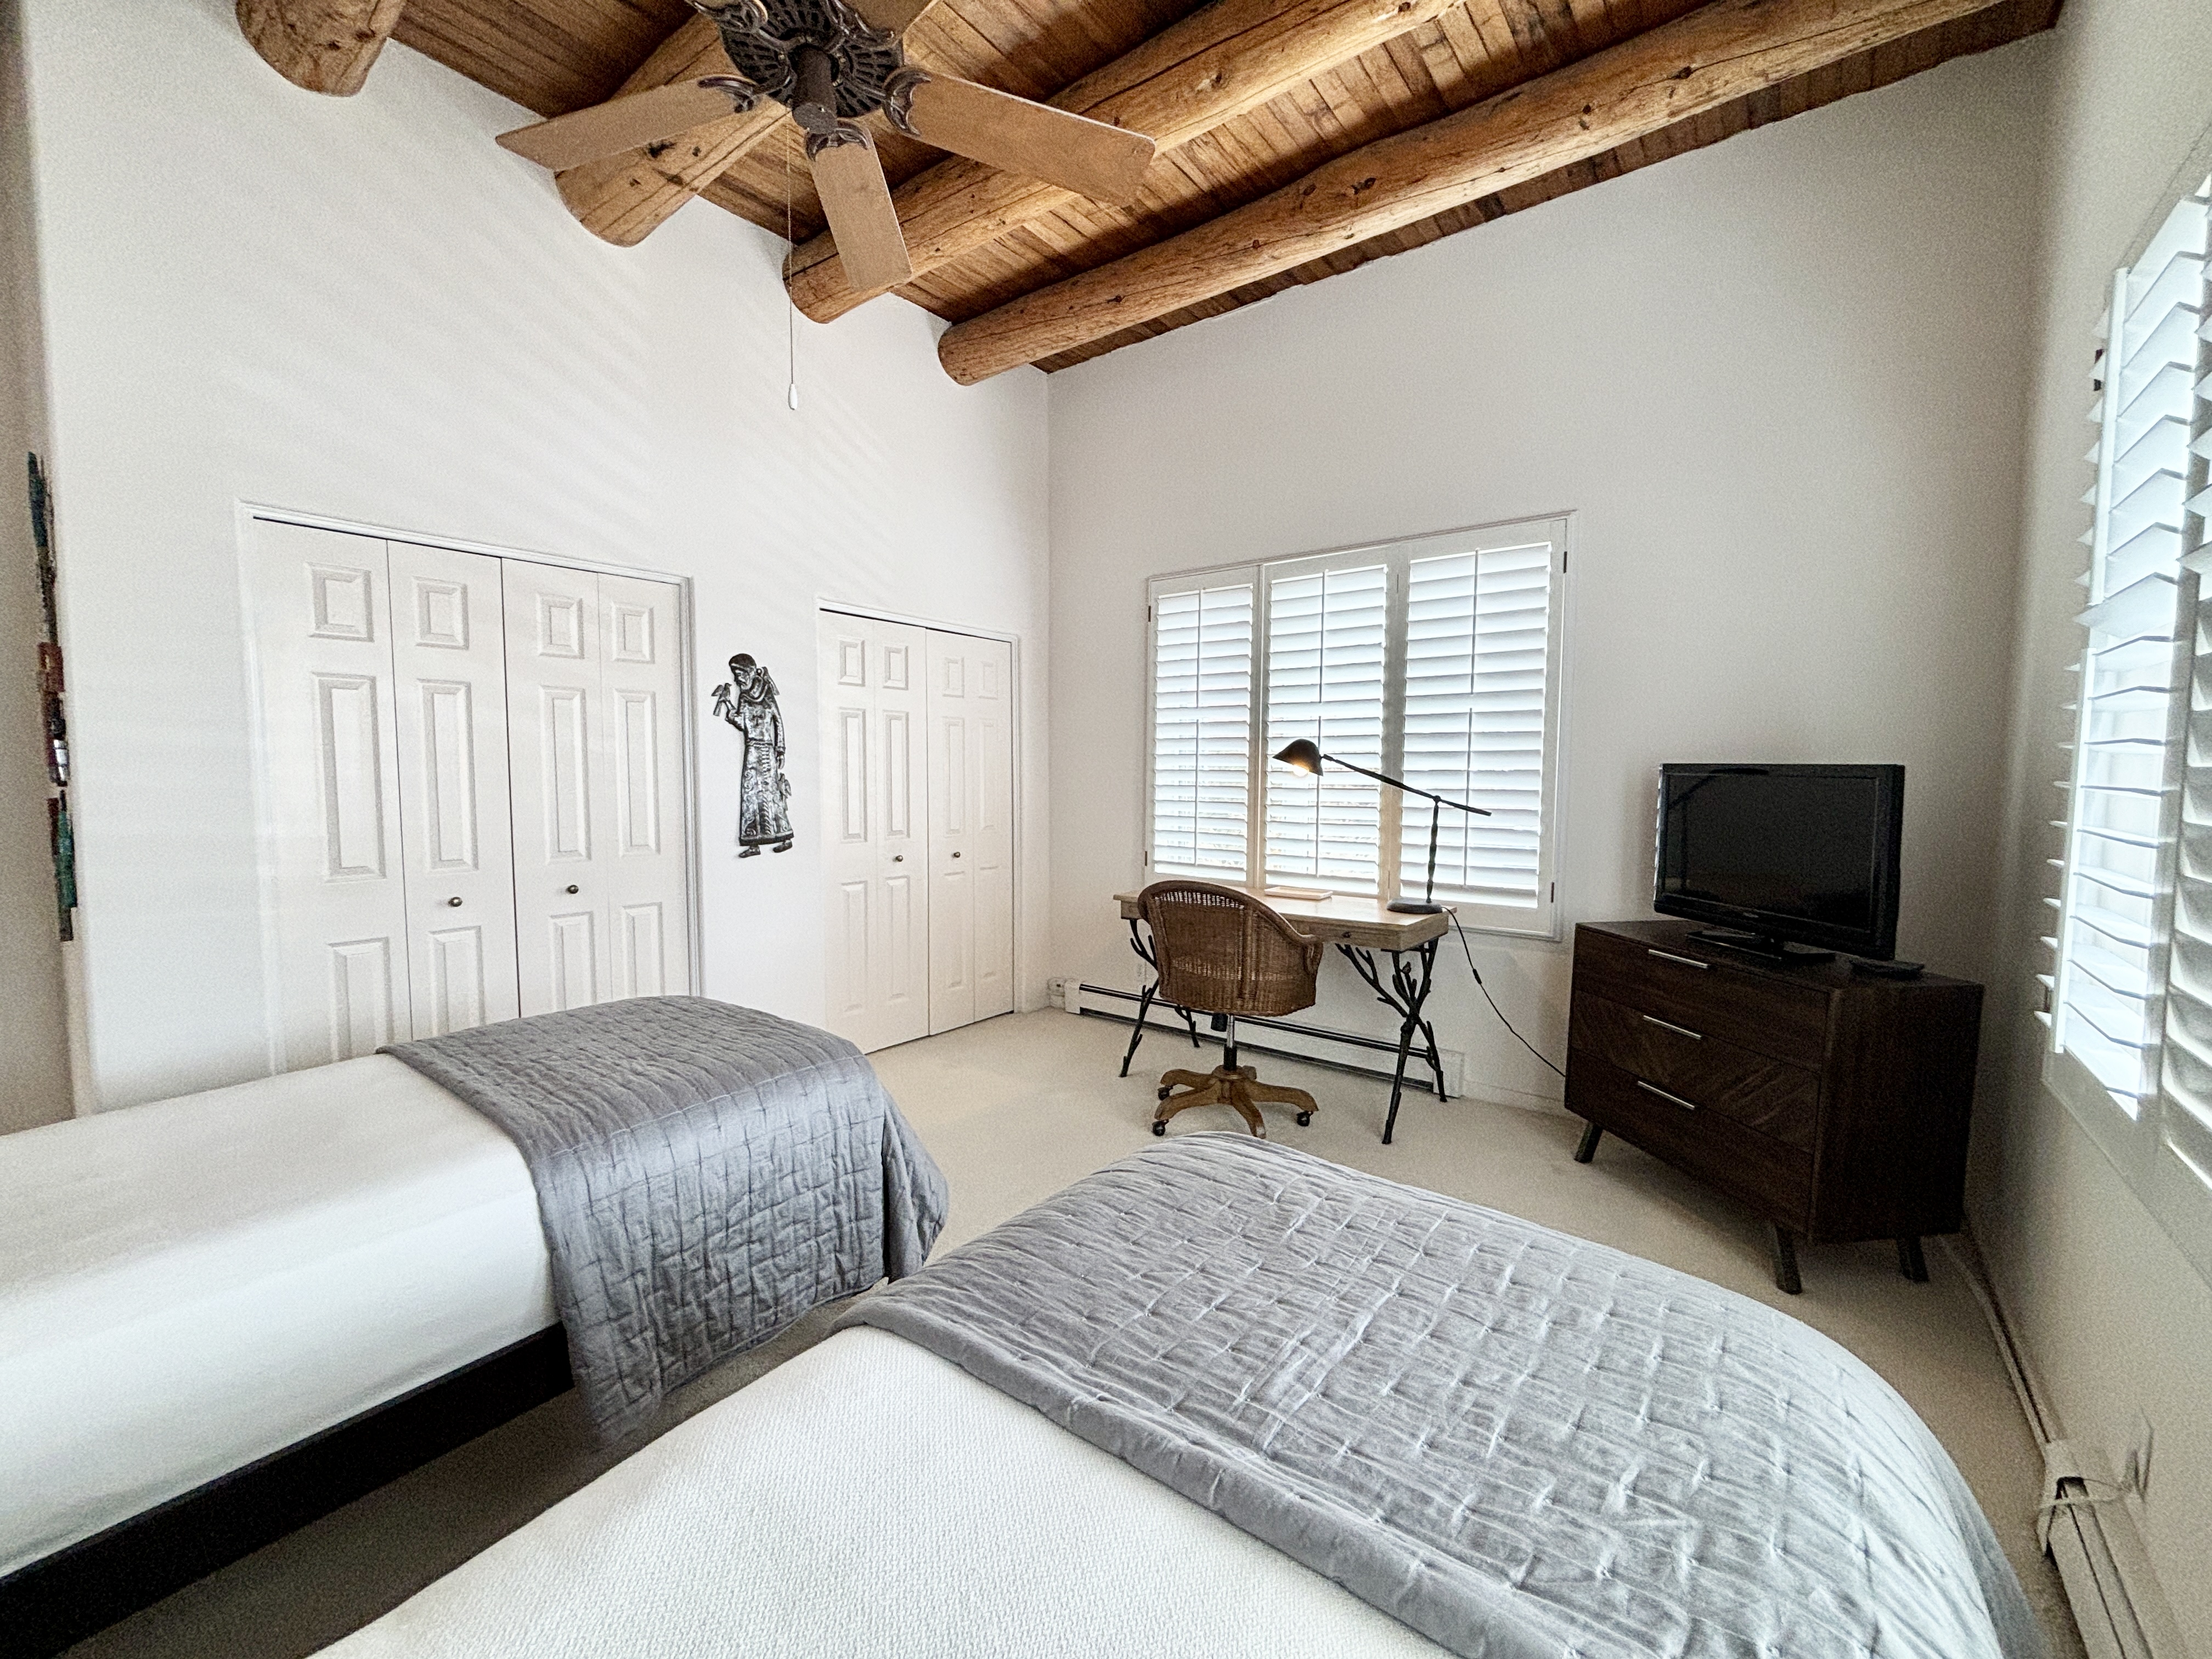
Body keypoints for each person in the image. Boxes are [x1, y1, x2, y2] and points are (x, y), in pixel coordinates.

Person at [710, 653, 793, 856]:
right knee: (751, 794)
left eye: (739, 674)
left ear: (749, 672)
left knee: (773, 794)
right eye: (735, 675)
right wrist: (729, 706)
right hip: (752, 750)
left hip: (766, 749)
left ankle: (784, 836)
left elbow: (778, 721)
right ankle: (754, 843)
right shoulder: (744, 696)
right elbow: (744, 724)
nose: (737, 679)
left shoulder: (766, 694)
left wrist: (780, 749)